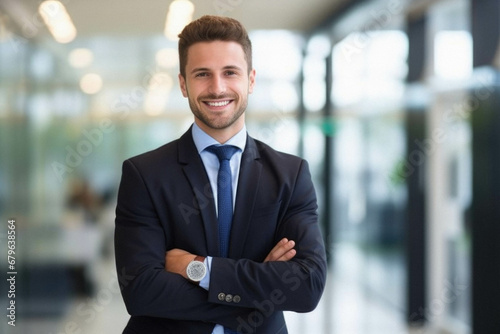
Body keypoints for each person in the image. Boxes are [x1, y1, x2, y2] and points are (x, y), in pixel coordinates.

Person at [114, 15, 327, 334]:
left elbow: (306, 285)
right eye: (202, 74)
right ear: (183, 84)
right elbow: (142, 290)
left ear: (251, 80)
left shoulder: (290, 174)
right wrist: (258, 291)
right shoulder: (144, 175)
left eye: (230, 72)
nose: (217, 88)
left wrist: (195, 268)